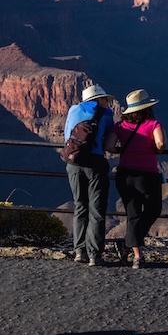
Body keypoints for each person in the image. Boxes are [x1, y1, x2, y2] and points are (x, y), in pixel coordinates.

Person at [105, 88, 167, 269]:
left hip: (125, 175)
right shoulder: (153, 124)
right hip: (147, 175)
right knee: (153, 210)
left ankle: (136, 255)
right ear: (147, 108)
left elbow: (108, 145)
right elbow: (161, 143)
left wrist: (123, 150)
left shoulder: (120, 126)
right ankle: (131, 246)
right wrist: (155, 150)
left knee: (133, 214)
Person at [64, 83, 116, 266]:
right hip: (95, 163)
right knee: (96, 209)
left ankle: (79, 251)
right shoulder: (106, 114)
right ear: (99, 99)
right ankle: (94, 255)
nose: (107, 103)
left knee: (80, 206)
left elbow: (67, 136)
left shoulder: (73, 110)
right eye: (105, 99)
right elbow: (109, 140)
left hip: (74, 162)